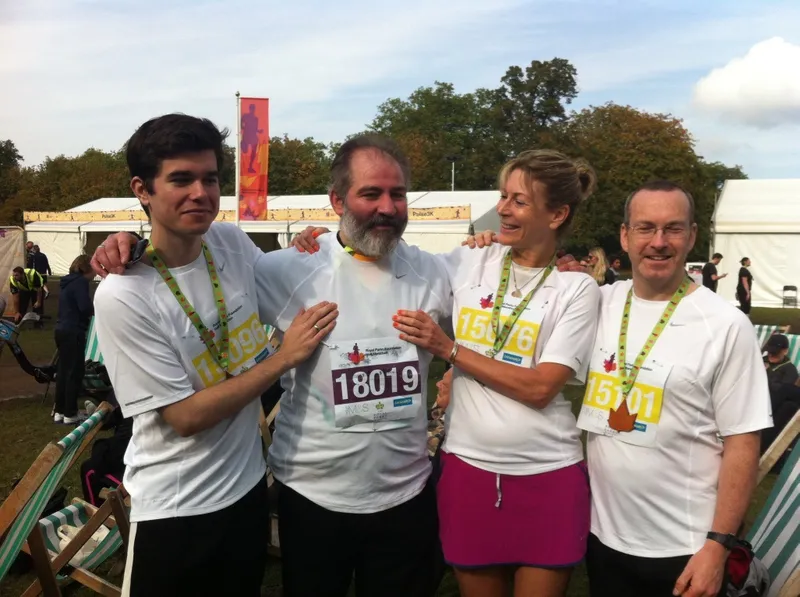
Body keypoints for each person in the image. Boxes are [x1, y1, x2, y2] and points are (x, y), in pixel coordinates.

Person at [92, 135, 586, 597]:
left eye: (398, 194)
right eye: (371, 193)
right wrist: (129, 242)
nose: (387, 207)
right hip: (311, 498)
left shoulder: (438, 271)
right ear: (336, 201)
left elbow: (509, 279)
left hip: (406, 496)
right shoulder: (284, 269)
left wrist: (557, 267)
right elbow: (193, 267)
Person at [464, 179, 773, 597]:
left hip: (685, 545)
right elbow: (516, 331)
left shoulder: (725, 324)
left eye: (673, 228)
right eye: (645, 228)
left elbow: (743, 441)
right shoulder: (596, 302)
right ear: (625, 236)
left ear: (692, 236)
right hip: (603, 538)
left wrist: (718, 545)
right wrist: (491, 249)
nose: (658, 242)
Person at [92, 113, 337, 597]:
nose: (200, 193)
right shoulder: (123, 294)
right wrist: (283, 358)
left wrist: (310, 247)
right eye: (181, 180)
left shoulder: (229, 241)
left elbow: (284, 289)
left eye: (210, 179)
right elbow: (185, 417)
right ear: (142, 190)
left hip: (246, 492)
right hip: (175, 509)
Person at [394, 150, 600, 597]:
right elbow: (397, 264)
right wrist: (329, 244)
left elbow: (541, 387)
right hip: (468, 471)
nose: (502, 208)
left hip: (549, 474)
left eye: (519, 201)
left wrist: (450, 349)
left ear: (557, 214)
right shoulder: (471, 261)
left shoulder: (576, 288)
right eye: (503, 196)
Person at [53, 255, 95, 425]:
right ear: (87, 268)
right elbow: (85, 307)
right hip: (73, 331)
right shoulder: (80, 283)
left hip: (61, 329)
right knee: (74, 372)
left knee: (63, 372)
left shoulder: (67, 282)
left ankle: (60, 411)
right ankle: (70, 412)